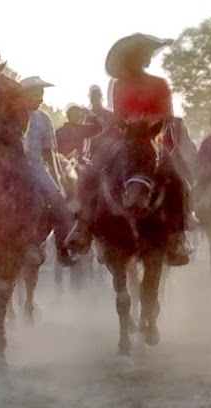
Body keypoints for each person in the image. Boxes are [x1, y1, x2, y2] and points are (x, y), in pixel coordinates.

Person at [72, 33, 192, 266]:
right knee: (90, 173)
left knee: (179, 181)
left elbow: (167, 115)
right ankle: (82, 227)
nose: (143, 59)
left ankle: (178, 236)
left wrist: (147, 121)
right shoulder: (119, 85)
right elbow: (118, 115)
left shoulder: (159, 83)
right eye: (139, 56)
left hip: (154, 140)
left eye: (144, 56)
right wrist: (128, 123)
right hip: (123, 139)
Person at [19, 76, 75, 249]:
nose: (40, 98)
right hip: (14, 165)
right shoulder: (12, 115)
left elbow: (49, 152)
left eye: (41, 93)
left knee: (58, 200)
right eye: (36, 93)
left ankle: (64, 245)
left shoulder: (43, 118)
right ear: (25, 94)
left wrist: (57, 178)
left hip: (36, 167)